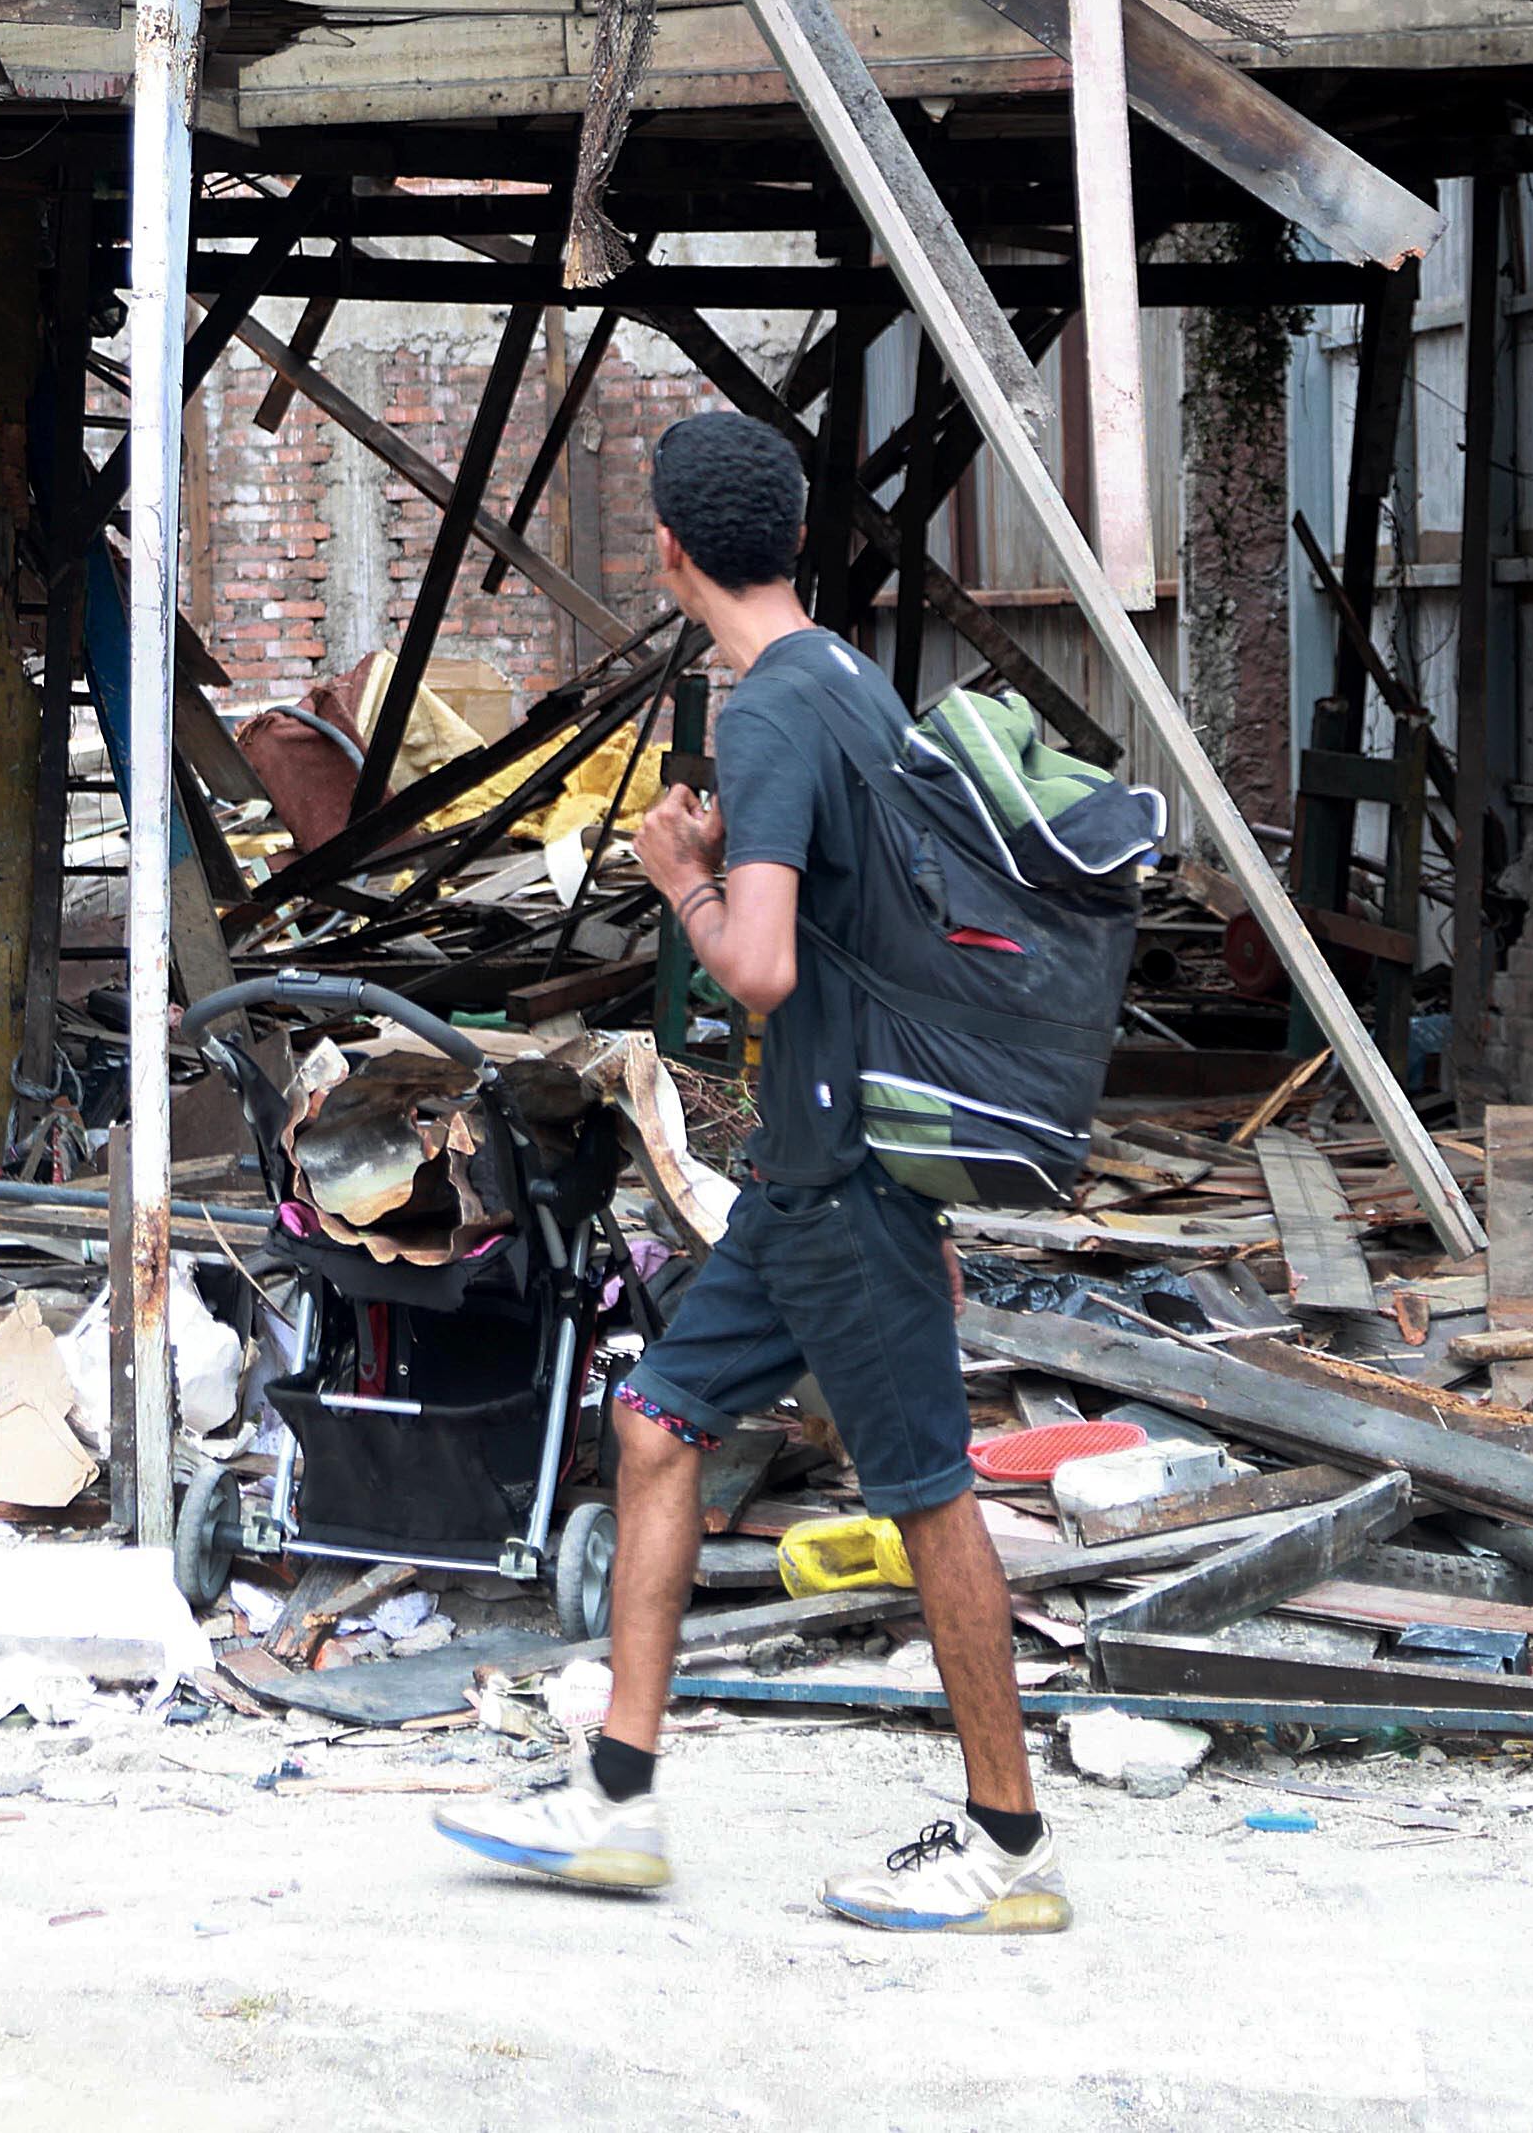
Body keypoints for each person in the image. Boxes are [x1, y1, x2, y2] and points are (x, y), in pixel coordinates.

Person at [433, 413, 1067, 1934]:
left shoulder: (779, 710)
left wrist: (684, 879)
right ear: (794, 535)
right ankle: (616, 1799)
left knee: (924, 1491)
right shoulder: (848, 677)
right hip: (817, 1174)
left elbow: (763, 964)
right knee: (654, 1422)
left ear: (665, 548)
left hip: (844, 1177)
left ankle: (1009, 1844)